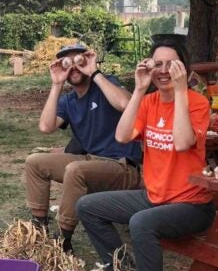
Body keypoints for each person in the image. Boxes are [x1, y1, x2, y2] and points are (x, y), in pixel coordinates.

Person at [76, 39, 216, 271]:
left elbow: (182, 142)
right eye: (157, 64)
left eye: (171, 64)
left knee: (141, 222)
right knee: (88, 206)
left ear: (184, 69)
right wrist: (139, 90)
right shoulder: (149, 102)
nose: (163, 70)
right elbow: (122, 136)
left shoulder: (198, 103)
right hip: (154, 197)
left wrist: (179, 92)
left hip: (191, 204)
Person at [24, 43, 142, 252]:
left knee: (75, 169)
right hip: (91, 160)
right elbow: (45, 126)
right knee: (35, 162)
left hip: (122, 166)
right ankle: (39, 229)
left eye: (79, 61)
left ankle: (63, 239)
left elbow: (125, 104)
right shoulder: (68, 101)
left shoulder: (107, 85)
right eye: (68, 64)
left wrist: (94, 72)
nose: (74, 68)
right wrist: (56, 84)